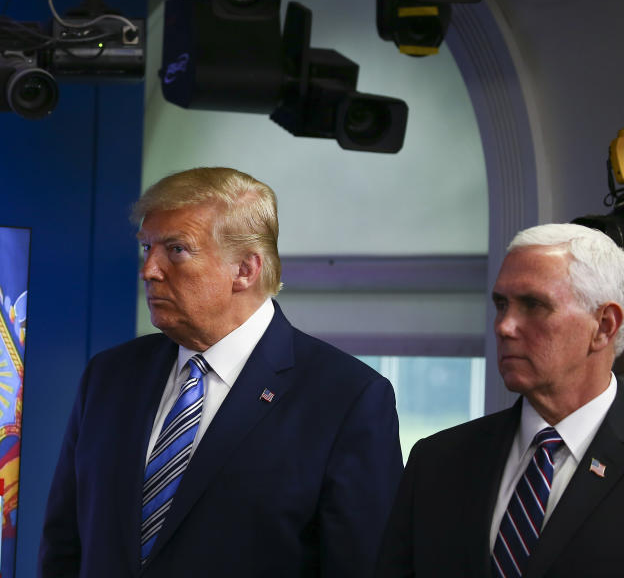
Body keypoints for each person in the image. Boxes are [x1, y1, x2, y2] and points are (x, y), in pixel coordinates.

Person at [39, 167, 403, 577]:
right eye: (147, 248)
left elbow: (364, 567)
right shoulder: (109, 377)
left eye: (176, 250)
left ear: (245, 270)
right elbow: (64, 546)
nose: (149, 270)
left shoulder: (347, 398)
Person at [375, 223, 624, 578]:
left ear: (603, 325)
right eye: (501, 305)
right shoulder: (436, 462)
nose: (504, 327)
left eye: (534, 305)